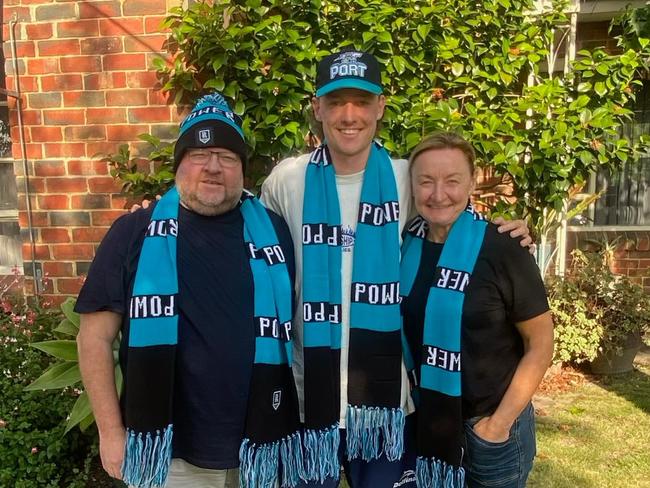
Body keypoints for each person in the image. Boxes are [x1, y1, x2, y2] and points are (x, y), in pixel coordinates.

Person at [261, 50, 534, 488]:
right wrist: (154, 218)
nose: (349, 115)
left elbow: (452, 213)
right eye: (336, 102)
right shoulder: (284, 181)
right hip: (309, 396)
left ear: (380, 107)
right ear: (318, 108)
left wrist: (510, 229)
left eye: (362, 102)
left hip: (388, 402)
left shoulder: (406, 177)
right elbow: (249, 239)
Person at [76, 93, 304, 488]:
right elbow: (94, 338)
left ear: (243, 170)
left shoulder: (275, 232)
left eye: (227, 156)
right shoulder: (134, 233)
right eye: (200, 154)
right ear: (180, 164)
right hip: (171, 454)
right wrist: (111, 432)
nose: (213, 167)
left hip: (264, 444)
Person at [400, 132, 554, 488]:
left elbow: (541, 345)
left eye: (452, 181)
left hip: (491, 427)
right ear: (412, 186)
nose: (438, 195)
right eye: (426, 181)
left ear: (471, 182)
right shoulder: (404, 245)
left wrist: (497, 425)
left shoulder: (503, 247)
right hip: (431, 421)